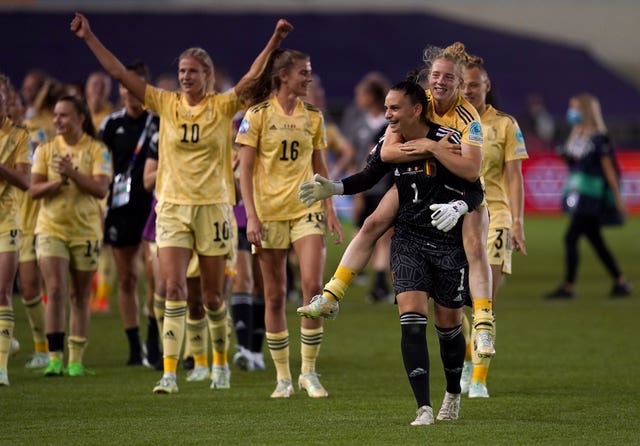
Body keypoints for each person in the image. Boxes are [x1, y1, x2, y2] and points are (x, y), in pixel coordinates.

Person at [70, 12, 293, 393]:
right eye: (183, 71)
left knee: (210, 297)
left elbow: (252, 80)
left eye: (193, 71)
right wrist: (89, 37)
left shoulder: (222, 107)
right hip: (171, 207)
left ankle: (219, 363)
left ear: (206, 76)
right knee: (170, 288)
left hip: (213, 207)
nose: (186, 77)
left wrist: (274, 41)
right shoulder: (165, 103)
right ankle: (170, 372)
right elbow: (122, 75)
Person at [299, 42, 496, 359]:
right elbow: (386, 152)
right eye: (435, 74)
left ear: (461, 84)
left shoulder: (468, 116)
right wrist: (432, 148)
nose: (440, 81)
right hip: (420, 178)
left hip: (461, 189)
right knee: (373, 222)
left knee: (474, 243)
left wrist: (430, 152)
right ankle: (332, 295)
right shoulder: (419, 102)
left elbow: (472, 172)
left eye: (448, 77)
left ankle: (484, 325)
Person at [304, 79, 484, 424]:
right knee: (412, 323)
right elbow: (369, 176)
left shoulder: (450, 139)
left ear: (416, 109)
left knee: (448, 328)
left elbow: (476, 190)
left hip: (447, 245)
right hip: (408, 241)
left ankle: (452, 393)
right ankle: (424, 407)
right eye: (386, 107)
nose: (387, 114)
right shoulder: (389, 141)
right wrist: (335, 188)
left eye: (394, 108)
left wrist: (460, 206)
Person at [237, 47, 343, 398]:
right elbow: (246, 170)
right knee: (275, 294)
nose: (308, 78)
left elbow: (321, 167)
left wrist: (329, 209)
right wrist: (251, 215)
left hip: (305, 209)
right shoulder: (257, 115)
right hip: (268, 213)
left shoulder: (313, 116)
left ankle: (308, 373)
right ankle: (283, 377)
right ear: (284, 75)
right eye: (303, 72)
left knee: (313, 287)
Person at [458, 55, 528, 398]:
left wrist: (517, 221)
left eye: (475, 84)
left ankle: (479, 379)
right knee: (454, 302)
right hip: (457, 216)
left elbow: (514, 177)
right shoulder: (453, 122)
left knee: (485, 301)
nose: (469, 90)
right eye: (465, 84)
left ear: (487, 86)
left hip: (495, 216)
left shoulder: (504, 125)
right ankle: (468, 359)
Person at [30, 95, 112, 377]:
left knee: (79, 295)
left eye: (64, 115)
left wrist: (72, 173)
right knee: (54, 290)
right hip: (51, 227)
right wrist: (59, 181)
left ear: (80, 118)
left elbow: (101, 189)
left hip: (85, 230)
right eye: (55, 115)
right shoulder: (45, 150)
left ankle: (75, 361)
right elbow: (34, 190)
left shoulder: (98, 150)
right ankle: (54, 357)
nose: (57, 120)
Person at [100, 61, 157, 366]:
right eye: (124, 86)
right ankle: (135, 346)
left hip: (152, 209)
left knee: (155, 276)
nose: (128, 91)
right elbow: (101, 166)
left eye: (134, 85)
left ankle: (154, 337)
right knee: (126, 279)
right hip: (120, 209)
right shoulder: (110, 126)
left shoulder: (159, 122)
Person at [546, 93, 631, 299]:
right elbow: (575, 163)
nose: (571, 112)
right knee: (595, 239)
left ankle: (568, 287)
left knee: (571, 237)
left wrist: (618, 197)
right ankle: (620, 281)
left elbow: (609, 169)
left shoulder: (599, 138)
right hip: (580, 191)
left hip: (591, 194)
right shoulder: (578, 134)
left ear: (585, 110)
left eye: (574, 108)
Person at [3, 78, 49, 370]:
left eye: (11, 102)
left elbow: (33, 177)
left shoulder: (33, 134)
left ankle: (43, 347)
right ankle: (8, 340)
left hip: (30, 218)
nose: (8, 107)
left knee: (30, 288)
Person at [340, 72, 393, 302]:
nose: (357, 97)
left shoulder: (389, 123)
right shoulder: (359, 121)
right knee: (365, 230)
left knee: (381, 235)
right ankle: (372, 279)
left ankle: (377, 282)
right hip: (365, 184)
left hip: (382, 185)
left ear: (371, 97)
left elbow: (369, 159)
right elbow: (352, 153)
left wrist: (357, 187)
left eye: (361, 93)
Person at [0, 77, 33, 386]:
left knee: (3, 291)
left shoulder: (20, 136)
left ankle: (1, 368)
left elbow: (26, 181)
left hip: (7, 219)